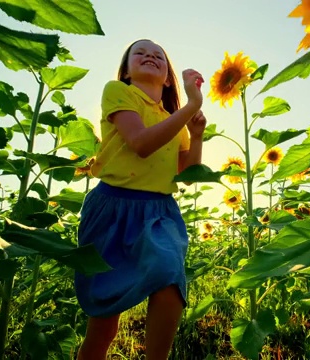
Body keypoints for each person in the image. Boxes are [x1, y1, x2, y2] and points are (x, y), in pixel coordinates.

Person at [74, 39, 206, 360]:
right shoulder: (118, 92)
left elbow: (186, 175)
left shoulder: (174, 120)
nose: (150, 56)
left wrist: (197, 135)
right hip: (112, 209)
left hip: (159, 211)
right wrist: (191, 105)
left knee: (170, 276)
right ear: (126, 70)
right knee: (104, 326)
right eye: (141, 53)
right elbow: (140, 143)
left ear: (167, 78)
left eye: (158, 55)